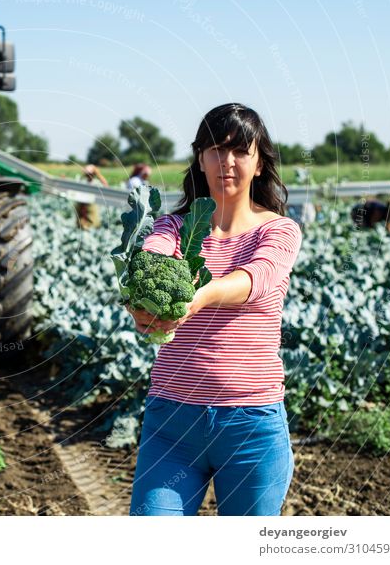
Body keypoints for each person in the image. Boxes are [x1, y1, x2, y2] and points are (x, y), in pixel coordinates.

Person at [126, 103, 302, 516]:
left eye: (240, 150)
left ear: (259, 164)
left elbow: (256, 280)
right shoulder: (172, 227)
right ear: (200, 159)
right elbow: (154, 259)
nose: (227, 161)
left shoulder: (279, 230)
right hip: (172, 424)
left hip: (251, 427)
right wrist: (142, 302)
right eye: (214, 149)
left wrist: (198, 296)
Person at [75, 164, 108, 229]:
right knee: (80, 226)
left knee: (92, 225)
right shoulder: (83, 181)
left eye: (91, 174)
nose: (89, 175)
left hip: (91, 209)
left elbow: (106, 187)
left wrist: (98, 174)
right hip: (82, 208)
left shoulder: (96, 183)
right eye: (87, 174)